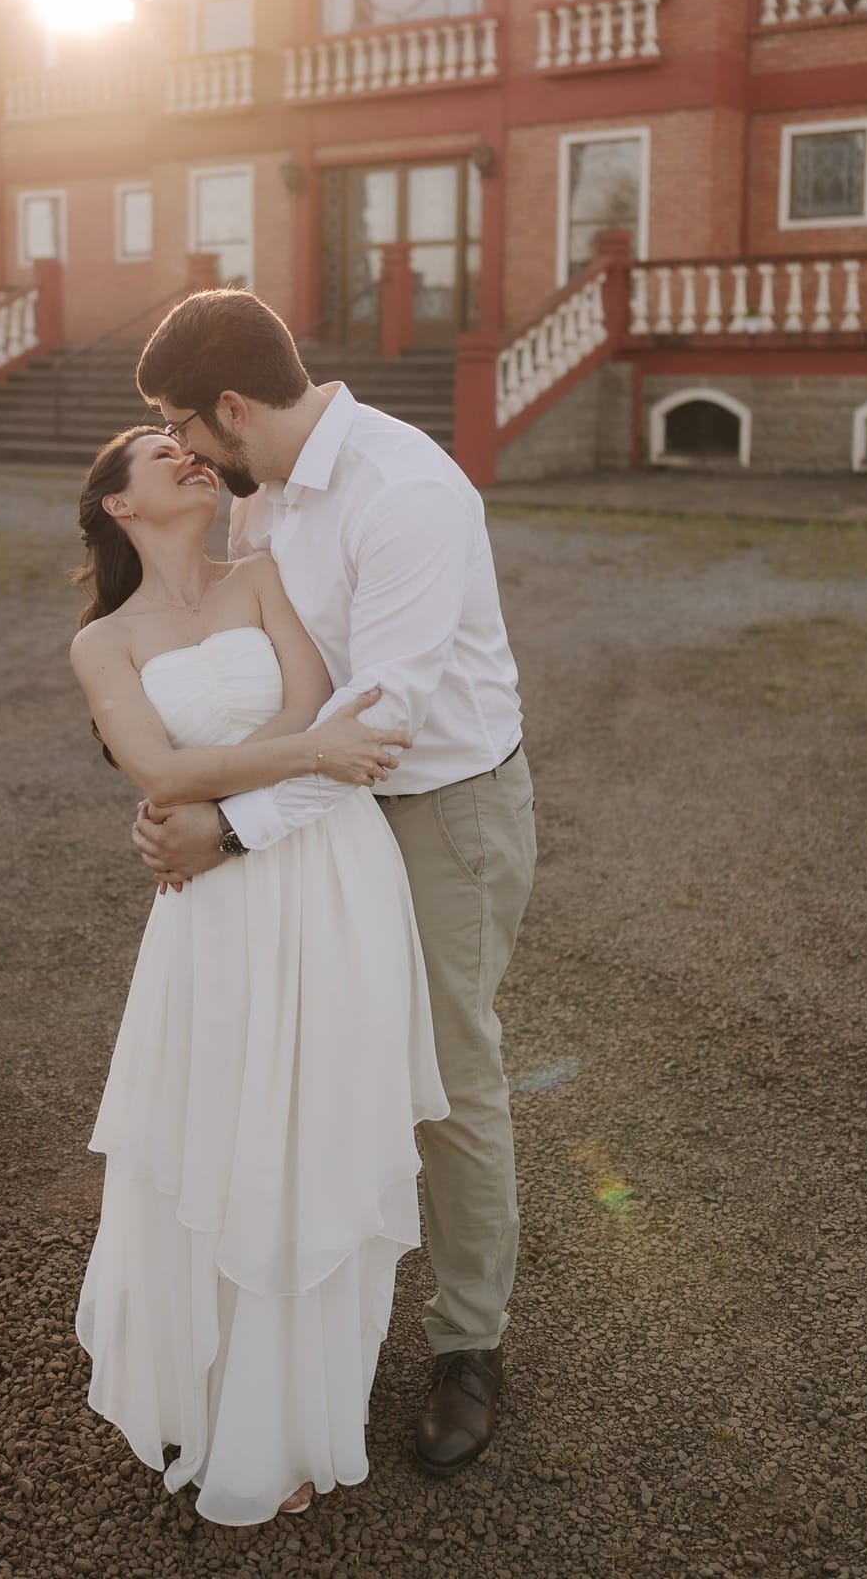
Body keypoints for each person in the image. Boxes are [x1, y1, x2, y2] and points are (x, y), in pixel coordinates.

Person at [128, 289, 537, 1482]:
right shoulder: (253, 501)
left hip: (443, 809)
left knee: (450, 1074)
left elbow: (384, 720)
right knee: (308, 1062)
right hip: (322, 816)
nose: (184, 452)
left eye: (184, 425)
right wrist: (169, 786)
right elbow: (243, 666)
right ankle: (310, 1327)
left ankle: (469, 1343)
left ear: (234, 407)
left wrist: (232, 829)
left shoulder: (407, 493)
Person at [67, 423, 450, 1525]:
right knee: (223, 1128)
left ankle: (288, 1415)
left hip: (326, 871)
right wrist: (309, 756)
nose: (187, 455)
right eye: (155, 451)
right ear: (119, 505)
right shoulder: (104, 643)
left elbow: (315, 706)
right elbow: (155, 765)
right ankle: (210, 1392)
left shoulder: (266, 572)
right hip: (215, 906)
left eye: (186, 440)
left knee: (317, 1126)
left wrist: (266, 777)